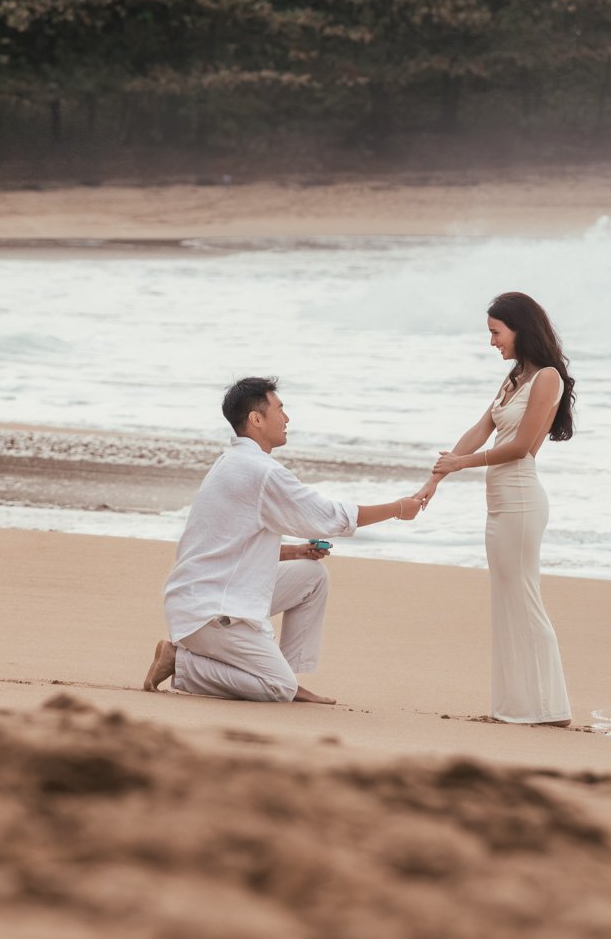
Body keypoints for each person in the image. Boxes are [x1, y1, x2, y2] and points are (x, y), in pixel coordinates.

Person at [143, 376, 427, 706]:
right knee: (275, 689)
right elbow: (328, 516)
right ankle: (184, 662)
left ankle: (287, 676)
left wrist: (294, 551)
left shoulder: (232, 463)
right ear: (256, 419)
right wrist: (397, 509)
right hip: (208, 609)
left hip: (206, 593)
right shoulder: (260, 472)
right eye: (280, 409)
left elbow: (229, 544)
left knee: (311, 576)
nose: (287, 418)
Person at [416, 291, 574, 725]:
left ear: (521, 329)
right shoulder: (513, 380)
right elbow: (479, 430)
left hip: (522, 501)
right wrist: (436, 478)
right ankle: (517, 706)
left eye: (495, 332)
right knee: (507, 604)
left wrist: (463, 463)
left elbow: (521, 446)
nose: (492, 342)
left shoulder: (547, 378)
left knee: (524, 600)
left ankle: (551, 707)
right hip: (500, 504)